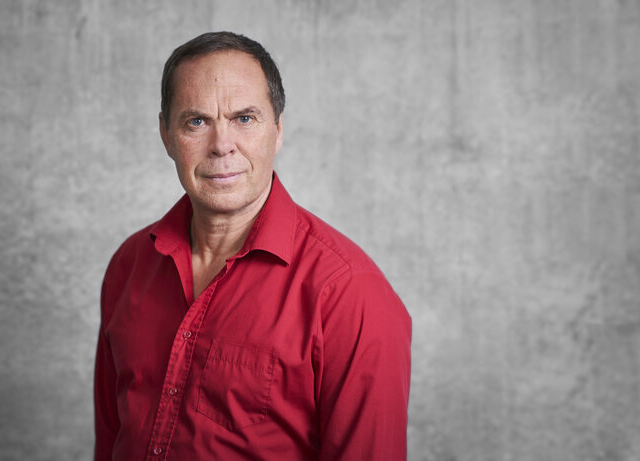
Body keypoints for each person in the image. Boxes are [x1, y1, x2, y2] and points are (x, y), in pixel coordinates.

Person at [94, 31, 411, 461]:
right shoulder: (130, 264)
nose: (222, 145)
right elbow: (111, 439)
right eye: (196, 121)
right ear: (166, 135)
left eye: (244, 118)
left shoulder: (350, 293)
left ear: (277, 130)